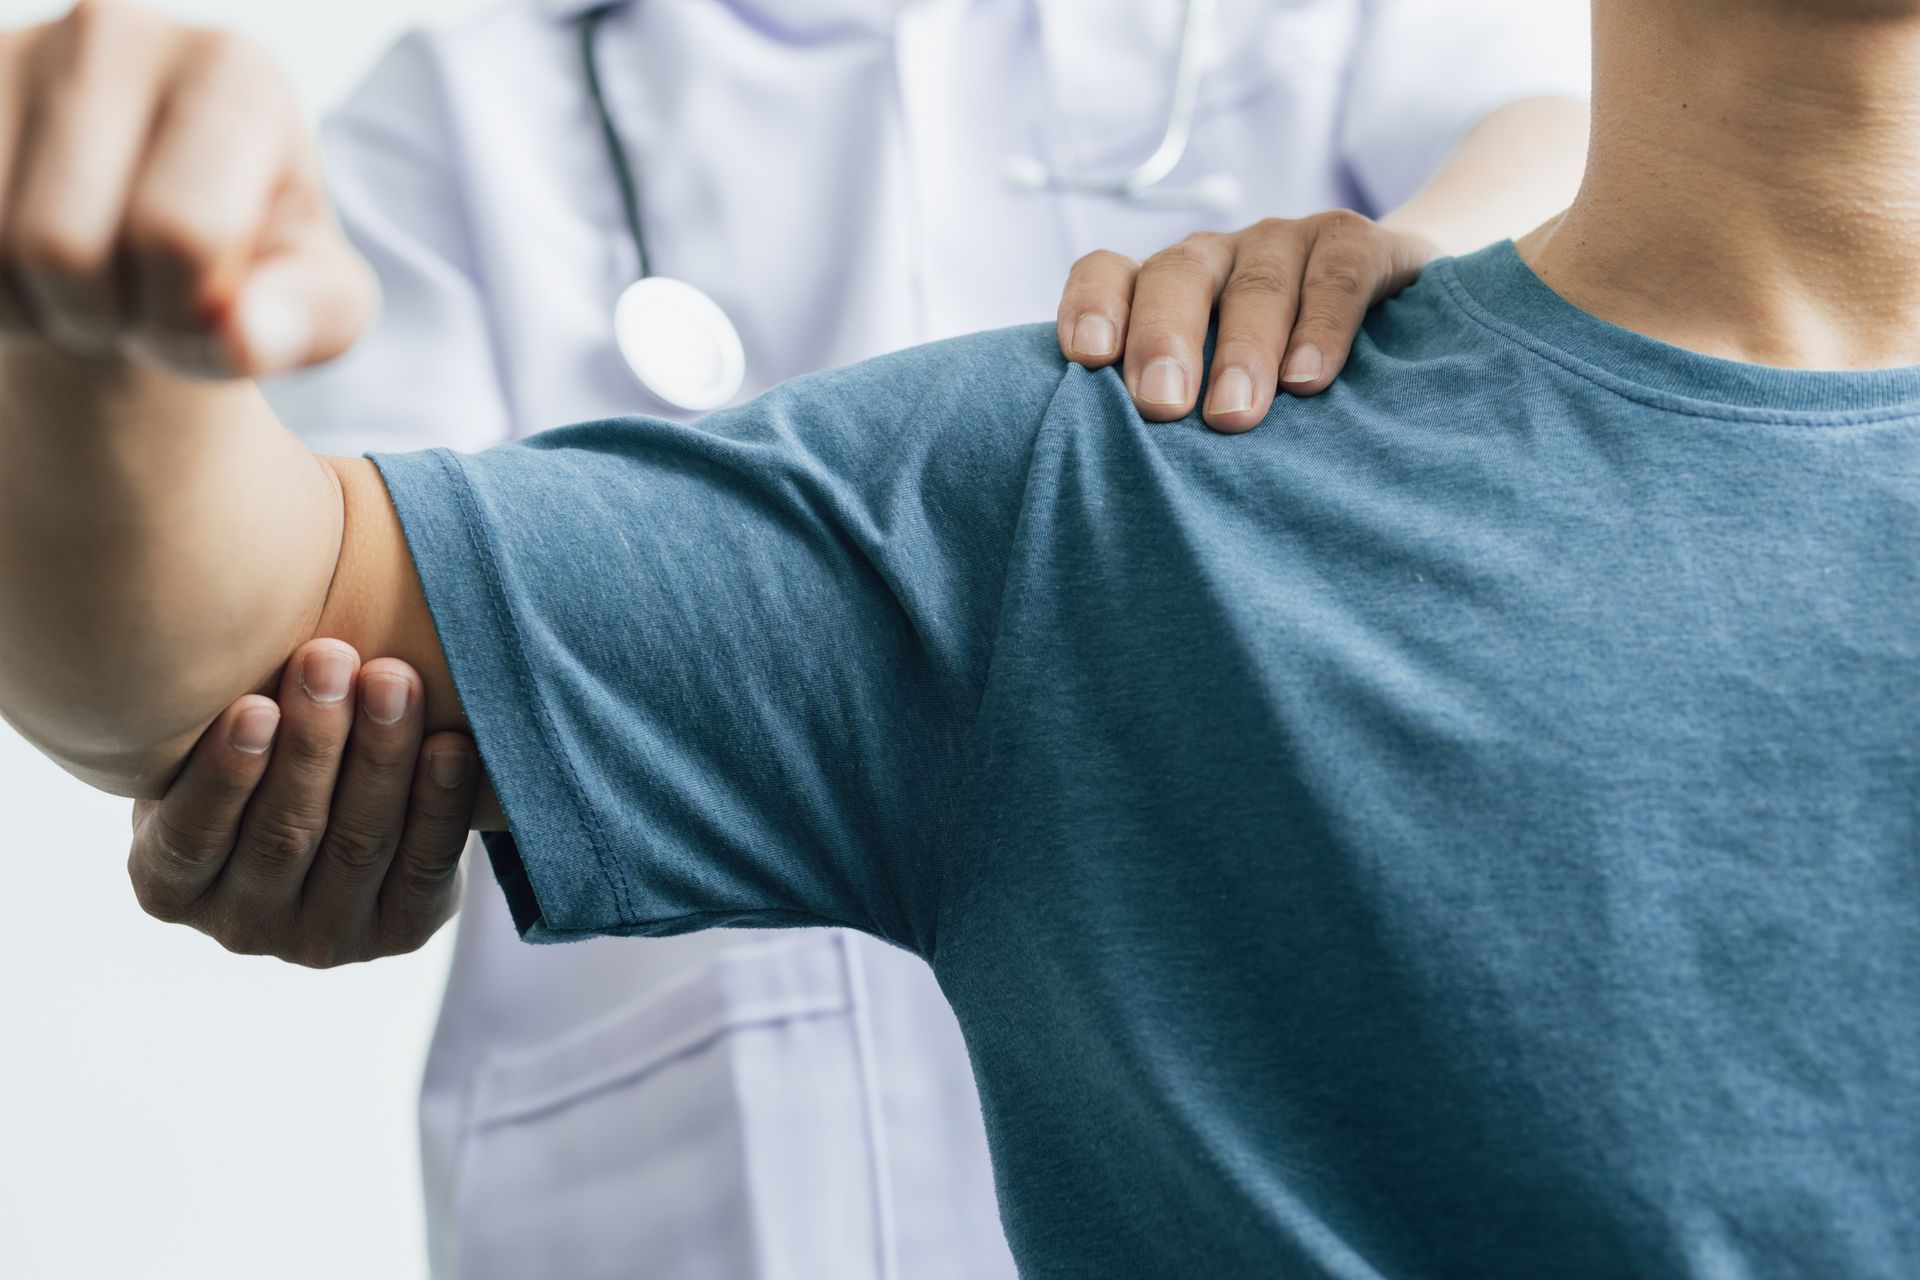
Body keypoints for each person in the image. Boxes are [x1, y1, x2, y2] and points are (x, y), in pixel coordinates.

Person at [7, 0, 1917, 1275]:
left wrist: (1417, 258)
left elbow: (1624, 168)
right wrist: (75, 337)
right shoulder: (1042, 481)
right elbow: (252, 627)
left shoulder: (1313, 88)